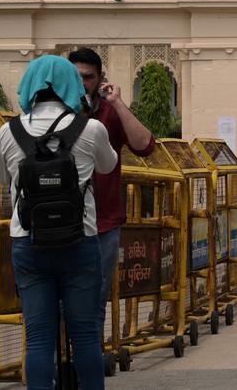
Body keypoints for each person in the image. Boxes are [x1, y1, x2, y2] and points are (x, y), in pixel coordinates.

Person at [0, 55, 117, 390]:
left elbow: (3, 179)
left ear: (29, 86)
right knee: (85, 335)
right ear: (72, 86)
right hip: (80, 241)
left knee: (39, 337)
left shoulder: (8, 132)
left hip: (28, 242)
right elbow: (107, 166)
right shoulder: (90, 129)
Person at [67, 47, 154, 339]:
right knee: (59, 300)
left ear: (100, 79)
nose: (82, 84)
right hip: (58, 223)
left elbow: (145, 146)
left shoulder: (106, 113)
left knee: (96, 298)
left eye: (88, 77)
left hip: (102, 223)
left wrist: (117, 103)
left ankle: (89, 353)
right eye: (76, 77)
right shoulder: (51, 112)